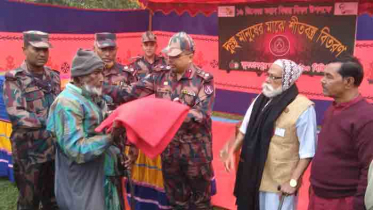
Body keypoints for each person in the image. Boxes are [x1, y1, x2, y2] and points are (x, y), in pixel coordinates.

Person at [105, 31, 215, 210]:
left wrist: (168, 111)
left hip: (196, 156)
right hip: (170, 154)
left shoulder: (204, 80)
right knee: (175, 202)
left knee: (200, 204)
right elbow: (130, 93)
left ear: (190, 56)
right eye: (168, 56)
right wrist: (99, 86)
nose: (170, 60)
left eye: (175, 56)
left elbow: (202, 115)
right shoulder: (160, 76)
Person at [221, 59, 317, 210]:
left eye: (274, 77)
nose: (268, 80)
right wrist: (232, 151)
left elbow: (307, 150)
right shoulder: (261, 99)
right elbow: (245, 129)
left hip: (280, 181)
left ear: (288, 80)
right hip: (254, 173)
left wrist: (292, 181)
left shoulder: (303, 108)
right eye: (268, 75)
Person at [47, 49, 113, 210]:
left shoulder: (91, 96)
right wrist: (110, 138)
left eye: (102, 72)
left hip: (98, 175)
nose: (102, 78)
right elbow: (77, 149)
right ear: (79, 77)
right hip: (79, 184)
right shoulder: (66, 103)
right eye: (96, 73)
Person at [3, 30, 60, 210]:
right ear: (24, 49)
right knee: (29, 202)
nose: (42, 54)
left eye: (45, 49)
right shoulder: (15, 78)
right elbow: (17, 114)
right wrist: (51, 122)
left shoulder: (54, 77)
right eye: (37, 49)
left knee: (53, 199)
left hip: (53, 150)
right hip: (29, 153)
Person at [309, 56, 373, 210]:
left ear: (349, 82)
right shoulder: (332, 109)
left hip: (343, 201)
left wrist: (358, 205)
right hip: (318, 195)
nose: (322, 80)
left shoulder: (366, 118)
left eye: (329, 77)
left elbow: (368, 168)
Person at [94, 32, 137, 210]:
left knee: (116, 187)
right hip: (91, 139)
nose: (107, 53)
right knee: (93, 186)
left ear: (116, 49)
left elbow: (135, 111)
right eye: (103, 49)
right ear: (94, 48)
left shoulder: (126, 74)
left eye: (111, 49)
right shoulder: (87, 74)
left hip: (118, 142)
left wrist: (134, 145)